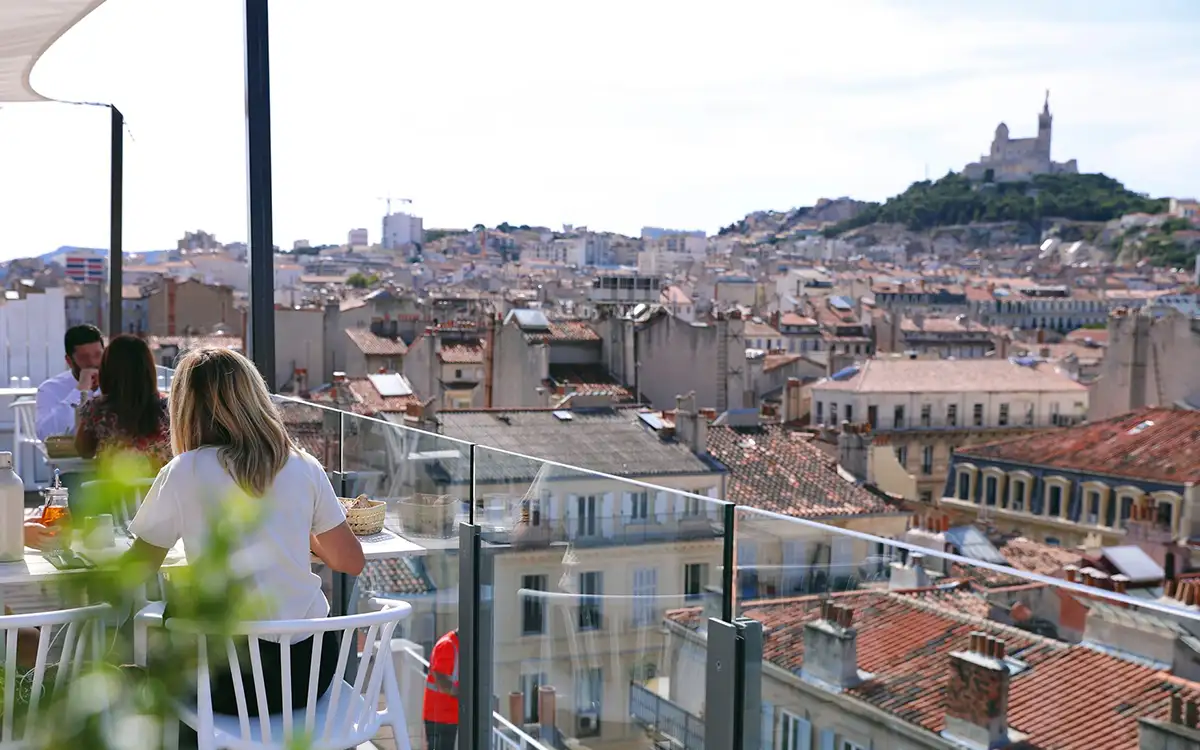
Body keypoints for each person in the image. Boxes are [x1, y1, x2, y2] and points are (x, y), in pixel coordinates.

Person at [125, 346, 365, 718]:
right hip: (307, 676)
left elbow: (136, 569)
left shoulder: (184, 470)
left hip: (225, 683)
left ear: (185, 408)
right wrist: (294, 529)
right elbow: (349, 561)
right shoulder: (303, 465)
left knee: (167, 640)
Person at [74, 335, 171, 472]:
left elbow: (83, 450)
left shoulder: (97, 410)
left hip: (114, 492)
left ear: (107, 370)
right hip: (161, 491)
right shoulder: (169, 408)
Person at [35, 325, 104, 441]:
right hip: (70, 458)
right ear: (69, 361)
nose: (93, 363)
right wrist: (80, 391)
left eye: (98, 355)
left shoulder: (117, 382)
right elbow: (46, 435)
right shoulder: (50, 389)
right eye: (84, 357)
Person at [423, 627, 459, 750]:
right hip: (440, 717)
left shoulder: (457, 645)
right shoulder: (448, 645)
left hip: (449, 716)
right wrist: (465, 694)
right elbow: (442, 681)